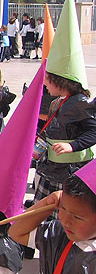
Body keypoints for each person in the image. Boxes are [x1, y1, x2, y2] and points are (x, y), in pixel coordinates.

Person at [33, 71, 96, 203]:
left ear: (60, 81)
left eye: (48, 79)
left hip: (70, 168)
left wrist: (72, 145)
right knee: (44, 206)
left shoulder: (80, 103)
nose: (45, 83)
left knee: (62, 207)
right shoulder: (56, 102)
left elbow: (93, 131)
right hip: (52, 165)